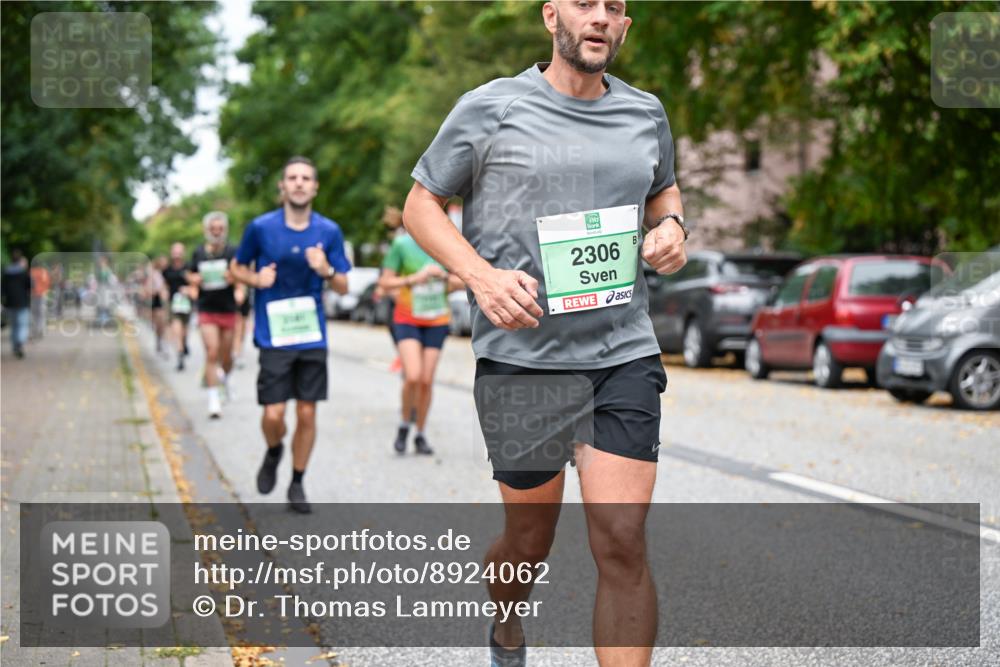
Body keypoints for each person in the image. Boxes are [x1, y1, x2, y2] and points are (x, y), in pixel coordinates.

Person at [401, 2, 688, 665]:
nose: (600, 17)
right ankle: (507, 619)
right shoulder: (491, 107)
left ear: (625, 26)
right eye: (585, 3)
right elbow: (422, 204)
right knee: (528, 542)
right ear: (551, 15)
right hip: (523, 359)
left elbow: (664, 189)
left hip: (621, 353)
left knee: (622, 540)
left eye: (614, 7)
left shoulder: (645, 112)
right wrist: (480, 277)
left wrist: (673, 226)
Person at [232, 156, 351, 514]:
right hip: (274, 334)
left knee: (307, 413)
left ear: (315, 187)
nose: (299, 183)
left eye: (306, 178)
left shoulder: (329, 231)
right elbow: (236, 268)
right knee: (273, 415)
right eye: (292, 178)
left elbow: (344, 286)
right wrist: (256, 279)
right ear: (282, 186)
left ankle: (297, 481)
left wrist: (325, 269)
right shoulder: (260, 228)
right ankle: (274, 451)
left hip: (311, 334)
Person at [379, 216, 464, 455]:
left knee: (426, 380)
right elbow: (385, 283)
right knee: (413, 376)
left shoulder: (447, 243)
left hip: (437, 320)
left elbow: (465, 281)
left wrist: (444, 277)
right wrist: (414, 279)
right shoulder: (401, 245)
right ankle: (404, 424)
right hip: (407, 319)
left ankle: (420, 433)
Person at [187, 212, 243, 418]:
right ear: (207, 230)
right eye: (213, 228)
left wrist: (235, 281)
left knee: (226, 357)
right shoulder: (199, 252)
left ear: (225, 230)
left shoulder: (232, 251)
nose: (217, 232)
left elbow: (242, 275)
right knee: (212, 352)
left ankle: (225, 378)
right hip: (206, 309)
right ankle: (213, 400)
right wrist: (194, 280)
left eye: (220, 228)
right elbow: (190, 274)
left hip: (227, 309)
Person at [162, 242, 193, 371]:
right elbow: (164, 285)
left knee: (184, 330)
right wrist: (164, 292)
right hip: (173, 303)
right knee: (176, 329)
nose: (177, 255)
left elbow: (195, 283)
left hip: (187, 303)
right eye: (175, 252)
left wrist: (188, 289)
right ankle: (180, 356)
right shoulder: (167, 270)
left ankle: (184, 343)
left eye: (179, 252)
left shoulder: (189, 267)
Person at [2, 249, 32, 359]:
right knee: (22, 324)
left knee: (14, 326)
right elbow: (30, 286)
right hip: (22, 302)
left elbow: (2, 289)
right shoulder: (24, 272)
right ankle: (20, 342)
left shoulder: (6, 273)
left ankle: (15, 346)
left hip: (10, 303)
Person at [147, 257, 169, 356]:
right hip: (156, 302)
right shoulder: (154, 275)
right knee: (158, 324)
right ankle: (159, 340)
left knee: (164, 323)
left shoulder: (167, 274)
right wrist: (158, 291)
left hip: (165, 302)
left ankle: (163, 342)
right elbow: (148, 290)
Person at [29, 263, 50, 340]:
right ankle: (41, 330)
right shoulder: (43, 271)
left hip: (32, 294)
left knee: (33, 313)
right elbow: (47, 283)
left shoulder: (30, 272)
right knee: (41, 313)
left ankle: (34, 331)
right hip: (41, 294)